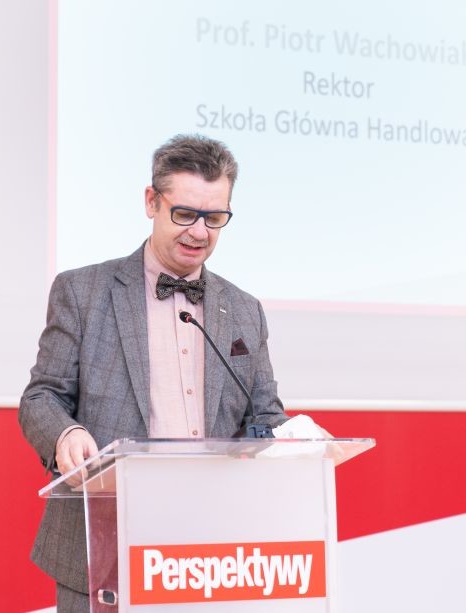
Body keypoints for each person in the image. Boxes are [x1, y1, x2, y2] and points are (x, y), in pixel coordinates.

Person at [18, 134, 290, 612]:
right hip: (104, 545)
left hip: (214, 550)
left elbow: (264, 415)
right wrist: (66, 435)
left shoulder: (245, 310)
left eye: (214, 218)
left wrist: (287, 441)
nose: (199, 232)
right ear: (151, 202)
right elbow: (42, 397)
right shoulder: (82, 292)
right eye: (185, 214)